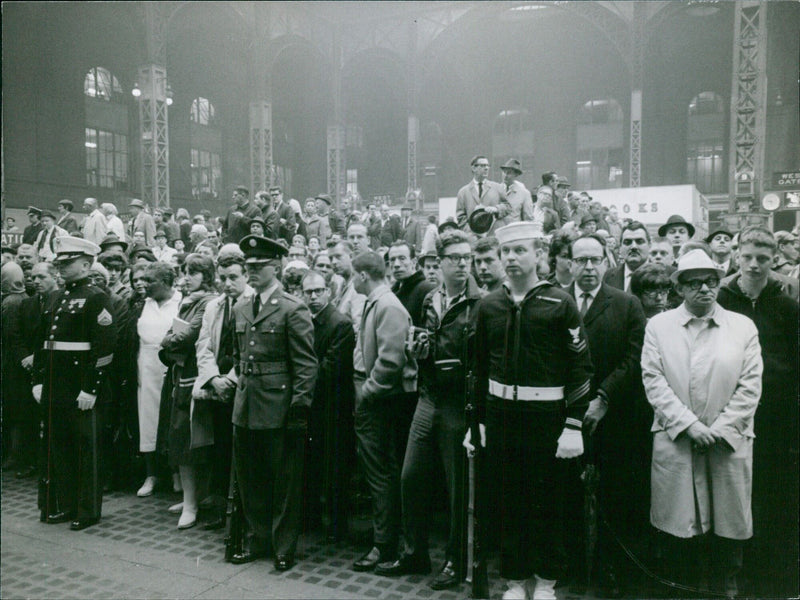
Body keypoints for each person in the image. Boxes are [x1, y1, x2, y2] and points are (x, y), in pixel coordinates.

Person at [465, 221, 592, 600]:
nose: (511, 258)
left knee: (548, 503)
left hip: (547, 419)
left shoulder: (559, 303)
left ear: (540, 255)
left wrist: (573, 426)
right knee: (508, 502)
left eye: (520, 250)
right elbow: (478, 370)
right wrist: (477, 423)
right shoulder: (489, 306)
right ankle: (516, 581)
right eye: (506, 252)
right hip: (502, 417)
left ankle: (547, 581)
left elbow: (581, 368)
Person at [641, 249, 762, 599]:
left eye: (710, 281)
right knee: (680, 526)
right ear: (679, 288)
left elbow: (750, 385)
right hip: (676, 438)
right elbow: (654, 381)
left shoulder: (742, 327)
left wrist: (720, 429)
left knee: (728, 525)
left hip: (729, 442)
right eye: (694, 283)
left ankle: (726, 588)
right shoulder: (658, 327)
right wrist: (689, 425)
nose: (704, 289)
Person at [377, 230, 482, 589]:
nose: (463, 264)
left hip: (458, 403)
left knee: (457, 489)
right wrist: (417, 348)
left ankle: (456, 559)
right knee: (411, 477)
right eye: (455, 258)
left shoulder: (481, 303)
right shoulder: (431, 298)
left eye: (467, 258)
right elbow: (423, 341)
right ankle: (415, 551)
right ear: (439, 261)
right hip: (429, 396)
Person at [716, 226, 799, 597]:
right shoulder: (721, 299)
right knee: (735, 495)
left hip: (777, 416)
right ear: (737, 255)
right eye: (747, 257)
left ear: (773, 260)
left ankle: (770, 578)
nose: (754, 265)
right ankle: (732, 574)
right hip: (731, 412)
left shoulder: (787, 304)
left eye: (762, 259)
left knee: (773, 494)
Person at [228, 235, 317, 571]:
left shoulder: (293, 308)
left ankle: (283, 545)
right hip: (246, 404)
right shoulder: (240, 306)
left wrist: (298, 408)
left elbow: (306, 365)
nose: (250, 271)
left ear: (275, 267)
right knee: (250, 479)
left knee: (283, 481)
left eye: (257, 266)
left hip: (278, 407)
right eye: (247, 266)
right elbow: (238, 357)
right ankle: (258, 538)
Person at [566, 234, 648, 597]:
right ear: (568, 262)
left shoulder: (626, 304)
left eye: (594, 260)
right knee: (566, 493)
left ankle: (609, 570)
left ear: (605, 261)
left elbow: (634, 358)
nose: (587, 268)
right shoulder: (554, 300)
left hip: (613, 417)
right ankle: (569, 566)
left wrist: (604, 397)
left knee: (614, 497)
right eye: (580, 260)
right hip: (565, 417)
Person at [32, 236, 116, 530]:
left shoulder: (96, 297)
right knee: (60, 447)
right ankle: (65, 505)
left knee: (85, 449)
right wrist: (38, 380)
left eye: (67, 263)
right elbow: (44, 342)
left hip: (80, 384)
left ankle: (87, 510)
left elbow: (104, 347)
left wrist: (91, 388)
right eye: (60, 262)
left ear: (86, 263)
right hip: (56, 385)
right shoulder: (56, 297)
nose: (62, 267)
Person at [350, 251, 417, 573]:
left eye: (354, 275)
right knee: (378, 472)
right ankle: (384, 539)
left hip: (377, 401)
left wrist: (369, 390)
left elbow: (391, 359)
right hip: (373, 398)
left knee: (380, 474)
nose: (352, 280)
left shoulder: (388, 305)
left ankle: (384, 543)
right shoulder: (379, 302)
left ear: (363, 275)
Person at [192, 253, 252, 530]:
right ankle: (220, 510)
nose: (227, 283)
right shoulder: (215, 306)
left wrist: (230, 379)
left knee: (242, 450)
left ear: (246, 276)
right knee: (220, 449)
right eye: (223, 278)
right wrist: (213, 378)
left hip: (243, 387)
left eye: (233, 277)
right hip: (218, 388)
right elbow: (203, 345)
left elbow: (252, 350)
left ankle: (241, 512)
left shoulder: (254, 303)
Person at [159, 254, 216, 529]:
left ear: (206, 275)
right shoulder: (188, 302)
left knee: (191, 441)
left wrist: (168, 341)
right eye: (187, 272)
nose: (188, 277)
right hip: (180, 375)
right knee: (181, 440)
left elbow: (185, 336)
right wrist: (169, 341)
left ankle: (194, 502)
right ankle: (190, 498)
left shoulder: (207, 302)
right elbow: (173, 336)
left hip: (194, 377)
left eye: (194, 272)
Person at [300, 270, 355, 542]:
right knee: (310, 463)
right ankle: (310, 518)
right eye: (308, 292)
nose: (313, 296)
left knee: (335, 468)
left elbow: (329, 369)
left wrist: (299, 376)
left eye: (318, 291)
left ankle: (337, 527)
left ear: (328, 292)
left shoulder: (339, 324)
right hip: (312, 404)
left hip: (333, 407)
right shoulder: (304, 321)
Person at [135, 262, 182, 498]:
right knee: (148, 420)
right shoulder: (141, 304)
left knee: (172, 421)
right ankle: (151, 474)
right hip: (146, 368)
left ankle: (175, 473)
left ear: (165, 282)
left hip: (170, 369)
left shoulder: (181, 302)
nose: (144, 284)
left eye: (150, 280)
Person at [456, 155, 510, 234]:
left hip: (494, 235)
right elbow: (461, 218)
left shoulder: (497, 187)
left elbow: (508, 207)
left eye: (488, 166)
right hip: (474, 238)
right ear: (473, 168)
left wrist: (496, 209)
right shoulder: (463, 192)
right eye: (483, 165)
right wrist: (472, 232)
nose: (486, 168)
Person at [389, 240, 436, 327]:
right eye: (392, 259)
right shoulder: (391, 291)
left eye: (402, 258)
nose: (396, 264)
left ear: (414, 262)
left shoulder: (427, 290)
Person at [604, 221, 651, 292]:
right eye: (627, 242)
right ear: (620, 247)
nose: (633, 247)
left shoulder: (667, 275)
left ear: (649, 245)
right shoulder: (607, 277)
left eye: (639, 241)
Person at [499, 159, 534, 224]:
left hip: (514, 230)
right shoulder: (497, 189)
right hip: (499, 231)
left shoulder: (524, 193)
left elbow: (528, 218)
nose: (505, 176)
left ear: (516, 175)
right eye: (504, 172)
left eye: (509, 173)